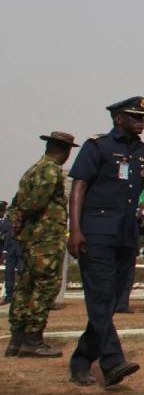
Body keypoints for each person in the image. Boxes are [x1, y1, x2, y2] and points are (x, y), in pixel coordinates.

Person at [66, 97, 144, 387]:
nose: (141, 122)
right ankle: (112, 361)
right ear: (118, 119)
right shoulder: (97, 146)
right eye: (134, 117)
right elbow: (79, 186)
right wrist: (74, 230)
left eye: (143, 118)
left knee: (110, 301)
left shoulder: (142, 152)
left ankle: (80, 360)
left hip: (126, 235)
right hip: (97, 232)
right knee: (100, 297)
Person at [6, 131, 77, 359]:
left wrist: (18, 221)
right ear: (65, 152)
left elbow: (16, 203)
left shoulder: (32, 170)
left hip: (29, 239)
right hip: (45, 239)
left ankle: (16, 340)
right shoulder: (51, 170)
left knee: (24, 287)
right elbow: (36, 201)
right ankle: (33, 340)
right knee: (45, 286)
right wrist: (25, 215)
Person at [1, 201, 18, 307]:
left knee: (22, 272)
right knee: (9, 273)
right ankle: (9, 296)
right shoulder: (6, 222)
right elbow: (6, 237)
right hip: (10, 251)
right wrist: (4, 251)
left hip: (21, 251)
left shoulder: (24, 221)